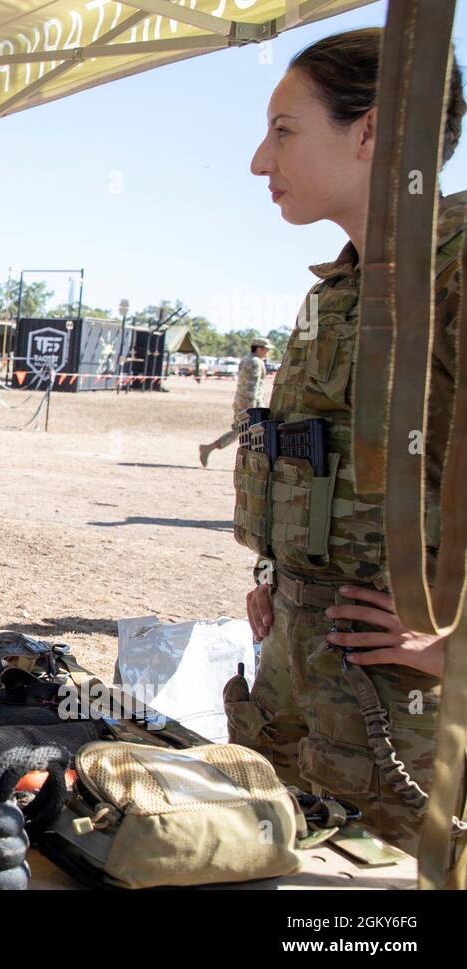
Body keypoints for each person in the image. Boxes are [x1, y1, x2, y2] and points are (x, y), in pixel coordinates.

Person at [225, 28, 463, 853]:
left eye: (285, 130)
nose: (261, 160)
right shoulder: (343, 289)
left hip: (406, 749)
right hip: (303, 713)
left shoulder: (452, 281)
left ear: (372, 133)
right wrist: (286, 583)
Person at [199, 338, 270, 467]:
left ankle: (209, 448)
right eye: (266, 349)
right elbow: (251, 386)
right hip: (250, 402)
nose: (268, 352)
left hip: (240, 400)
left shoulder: (246, 359)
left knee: (239, 430)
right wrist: (253, 409)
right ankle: (255, 463)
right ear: (259, 348)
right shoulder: (255, 362)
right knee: (258, 431)